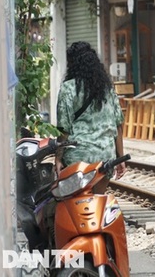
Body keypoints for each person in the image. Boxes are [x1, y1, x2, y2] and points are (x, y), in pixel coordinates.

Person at [55, 41, 126, 194]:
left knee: (78, 204)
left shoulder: (68, 88)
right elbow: (118, 124)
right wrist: (120, 158)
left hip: (78, 157)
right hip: (105, 157)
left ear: (72, 63)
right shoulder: (107, 88)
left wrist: (58, 158)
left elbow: (63, 128)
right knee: (97, 202)